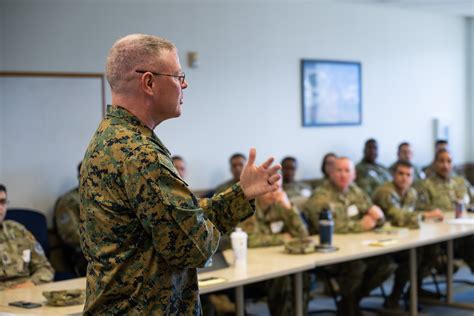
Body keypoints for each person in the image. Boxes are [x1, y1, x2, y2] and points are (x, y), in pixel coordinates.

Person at [79, 34, 281, 315]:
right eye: (178, 76)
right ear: (149, 82)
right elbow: (193, 246)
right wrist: (203, 230)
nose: (184, 84)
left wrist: (241, 193)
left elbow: (178, 218)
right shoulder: (140, 153)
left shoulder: (112, 137)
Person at [302, 158, 395, 316]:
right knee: (356, 266)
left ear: (354, 174)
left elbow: (373, 215)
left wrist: (379, 219)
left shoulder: (356, 192)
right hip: (329, 253)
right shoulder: (320, 197)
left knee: (386, 264)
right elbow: (324, 228)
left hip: (357, 248)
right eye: (339, 170)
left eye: (347, 171)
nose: (343, 175)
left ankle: (350, 302)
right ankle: (349, 308)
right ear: (331, 173)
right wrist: (360, 226)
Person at [238, 178, 309, 316]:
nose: (274, 192)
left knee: (303, 275)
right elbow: (251, 240)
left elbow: (303, 236)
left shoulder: (281, 206)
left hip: (278, 260)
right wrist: (281, 238)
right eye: (269, 188)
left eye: (278, 188)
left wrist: (289, 208)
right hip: (253, 266)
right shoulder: (248, 207)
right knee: (281, 278)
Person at [372, 161, 422, 309]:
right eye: (400, 174)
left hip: (400, 238)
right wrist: (422, 216)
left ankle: (407, 294)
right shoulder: (385, 192)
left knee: (424, 251)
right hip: (377, 241)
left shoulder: (411, 192)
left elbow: (411, 216)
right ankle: (395, 295)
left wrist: (418, 216)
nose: (404, 178)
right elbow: (399, 218)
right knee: (412, 255)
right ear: (394, 175)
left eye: (408, 175)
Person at [417, 149, 474, 273]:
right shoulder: (425, 185)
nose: (445, 165)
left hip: (464, 230)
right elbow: (419, 211)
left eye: (449, 161)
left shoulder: (460, 182)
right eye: (441, 161)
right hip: (439, 234)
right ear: (435, 163)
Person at [0, 184, 54, 290]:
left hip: (26, 291)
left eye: (2, 202)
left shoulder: (18, 230)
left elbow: (45, 268)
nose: (0, 208)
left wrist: (31, 284)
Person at [53, 162, 87, 276]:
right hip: (84, 254)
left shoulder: (106, 198)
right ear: (80, 177)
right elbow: (71, 235)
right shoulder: (69, 201)